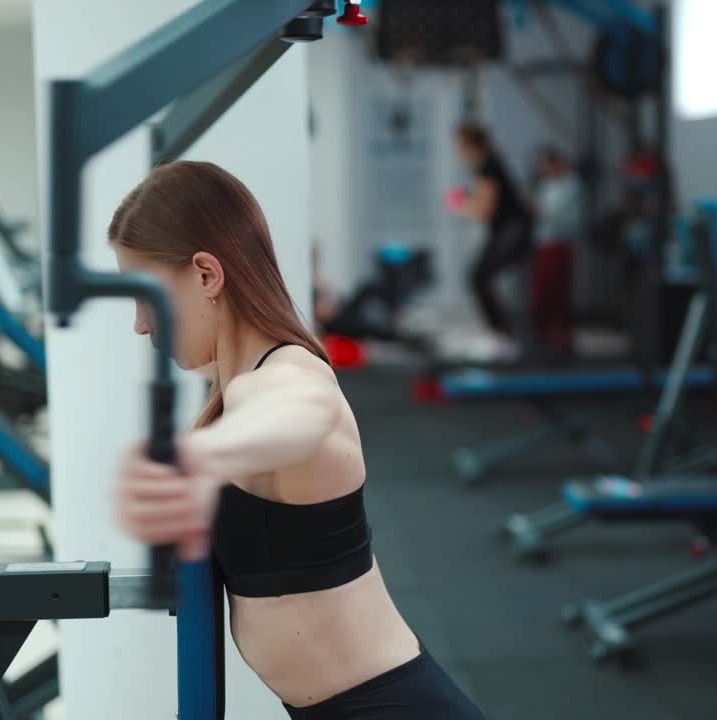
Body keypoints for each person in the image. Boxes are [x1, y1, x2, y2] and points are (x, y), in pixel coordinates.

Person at [109, 161, 484, 720]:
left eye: (146, 296)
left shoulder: (289, 374)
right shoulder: (231, 390)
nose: (141, 324)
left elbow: (301, 414)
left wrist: (203, 455)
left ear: (207, 275)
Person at [449, 123, 532, 355]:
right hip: (508, 230)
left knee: (478, 276)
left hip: (513, 231)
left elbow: (484, 210)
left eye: (458, 145)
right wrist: (467, 200)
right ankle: (502, 334)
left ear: (468, 144)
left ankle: (503, 336)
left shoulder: (488, 165)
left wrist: (459, 204)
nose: (457, 151)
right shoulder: (488, 164)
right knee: (480, 277)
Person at [530, 146, 581, 357]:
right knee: (542, 295)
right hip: (544, 244)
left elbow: (552, 214)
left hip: (559, 244)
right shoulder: (546, 185)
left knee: (557, 293)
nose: (542, 170)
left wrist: (539, 211)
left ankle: (560, 340)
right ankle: (545, 338)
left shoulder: (570, 185)